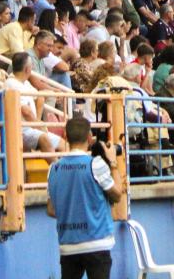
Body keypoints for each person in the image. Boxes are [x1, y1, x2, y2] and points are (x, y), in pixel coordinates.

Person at [46, 116, 122, 279]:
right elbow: (117, 194)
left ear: (65, 136)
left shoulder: (54, 169)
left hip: (68, 245)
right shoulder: (95, 164)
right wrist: (113, 163)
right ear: (89, 137)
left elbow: (51, 210)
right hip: (97, 242)